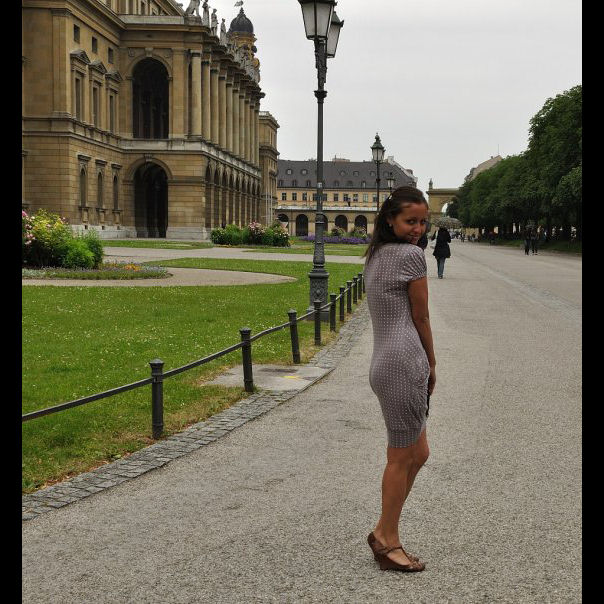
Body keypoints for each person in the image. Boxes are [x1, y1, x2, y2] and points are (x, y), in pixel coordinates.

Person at [362, 186, 435, 573]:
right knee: (401, 457)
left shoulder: (375, 254)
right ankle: (387, 540)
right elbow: (421, 317)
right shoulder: (411, 256)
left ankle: (383, 529)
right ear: (390, 219)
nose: (418, 229)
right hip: (403, 362)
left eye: (423, 222)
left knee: (418, 454)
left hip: (384, 362)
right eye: (410, 221)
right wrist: (432, 363)